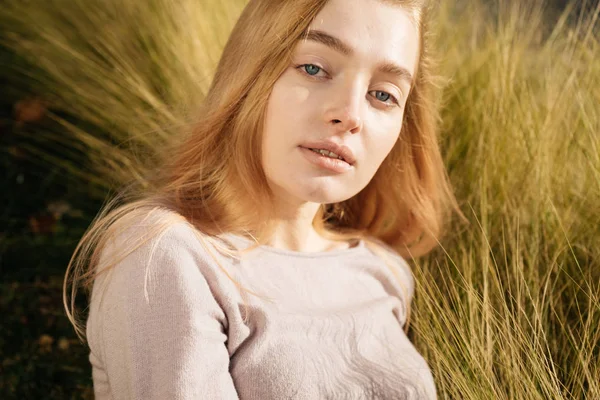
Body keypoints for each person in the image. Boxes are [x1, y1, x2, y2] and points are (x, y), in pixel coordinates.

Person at [63, 0, 460, 398]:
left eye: (383, 95)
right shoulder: (169, 255)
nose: (351, 114)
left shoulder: (385, 273)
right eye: (314, 68)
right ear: (250, 72)